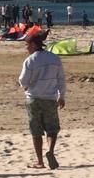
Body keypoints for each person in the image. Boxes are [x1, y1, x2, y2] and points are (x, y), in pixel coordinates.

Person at [18, 32, 67, 169]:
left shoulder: (30, 60)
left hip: (33, 98)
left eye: (27, 45)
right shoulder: (54, 58)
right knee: (52, 129)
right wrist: (61, 96)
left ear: (33, 45)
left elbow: (23, 81)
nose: (26, 48)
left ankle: (40, 161)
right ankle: (50, 151)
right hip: (50, 98)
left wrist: (26, 86)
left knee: (36, 131)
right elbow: (61, 79)